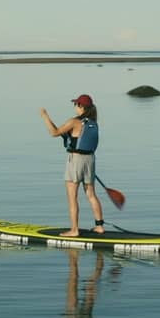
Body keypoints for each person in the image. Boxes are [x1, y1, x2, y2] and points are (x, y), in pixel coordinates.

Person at [41, 94, 102, 236]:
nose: (75, 107)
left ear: (81, 106)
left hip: (75, 160)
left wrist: (45, 116)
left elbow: (54, 132)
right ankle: (99, 226)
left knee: (72, 197)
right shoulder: (93, 123)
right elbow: (73, 136)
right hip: (90, 160)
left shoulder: (74, 122)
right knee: (91, 194)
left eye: (76, 104)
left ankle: (74, 230)